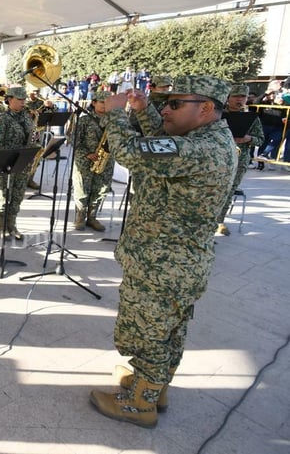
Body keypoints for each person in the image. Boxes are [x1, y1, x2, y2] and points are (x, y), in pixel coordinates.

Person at [89, 75, 236, 428]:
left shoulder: (200, 150)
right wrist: (144, 113)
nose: (164, 109)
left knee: (149, 334)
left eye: (173, 104)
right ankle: (154, 387)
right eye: (164, 103)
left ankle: (140, 404)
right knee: (168, 330)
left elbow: (135, 154)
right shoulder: (207, 138)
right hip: (178, 261)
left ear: (205, 108)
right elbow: (165, 144)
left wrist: (116, 114)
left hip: (163, 263)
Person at [0, 86, 35, 240]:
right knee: (5, 195)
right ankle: (2, 226)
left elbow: (32, 136)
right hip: (6, 164)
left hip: (23, 162)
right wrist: (12, 152)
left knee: (18, 194)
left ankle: (12, 225)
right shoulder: (1, 119)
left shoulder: (27, 117)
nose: (23, 102)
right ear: (9, 100)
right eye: (19, 99)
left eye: (24, 99)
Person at [216, 83, 263, 235]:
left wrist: (248, 139)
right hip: (218, 159)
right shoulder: (217, 115)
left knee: (228, 192)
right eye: (236, 96)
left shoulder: (251, 118)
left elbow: (260, 139)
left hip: (239, 160)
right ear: (228, 98)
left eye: (243, 97)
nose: (239, 100)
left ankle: (218, 222)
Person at [71, 90, 115, 231]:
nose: (104, 105)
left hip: (105, 161)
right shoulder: (84, 120)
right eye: (102, 102)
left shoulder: (114, 121)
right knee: (82, 188)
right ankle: (80, 217)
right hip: (85, 161)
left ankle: (92, 217)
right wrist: (87, 154)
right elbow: (73, 140)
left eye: (108, 103)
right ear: (94, 102)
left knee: (101, 189)